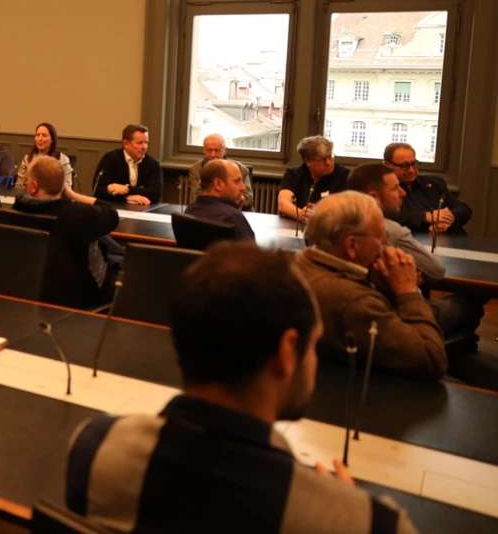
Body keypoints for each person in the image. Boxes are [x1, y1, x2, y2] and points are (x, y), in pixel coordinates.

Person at [66, 242, 419, 534]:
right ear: (286, 352)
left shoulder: (93, 448)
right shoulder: (374, 524)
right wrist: (341, 506)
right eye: (313, 345)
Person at [294, 192, 448, 381]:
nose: (385, 241)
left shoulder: (297, 264)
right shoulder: (357, 302)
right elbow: (432, 359)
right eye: (380, 234)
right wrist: (407, 291)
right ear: (352, 245)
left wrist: (382, 285)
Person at [14, 156, 119, 306]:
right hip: (81, 295)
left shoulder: (18, 209)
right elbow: (111, 214)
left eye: (27, 181)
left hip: (31, 289)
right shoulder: (78, 214)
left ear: (34, 187)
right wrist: (72, 194)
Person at [347, 163, 445, 282]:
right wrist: (414, 277)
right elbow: (436, 270)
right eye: (395, 188)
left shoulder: (340, 222)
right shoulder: (390, 231)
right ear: (373, 197)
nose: (403, 193)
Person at [383, 142, 471, 234]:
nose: (411, 170)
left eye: (414, 164)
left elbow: (463, 208)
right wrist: (425, 217)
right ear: (388, 165)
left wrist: (446, 220)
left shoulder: (434, 182)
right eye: (404, 166)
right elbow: (386, 217)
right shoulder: (384, 189)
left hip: (453, 237)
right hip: (413, 239)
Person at [278, 136, 349, 222]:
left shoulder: (344, 176)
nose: (328, 163)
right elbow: (283, 204)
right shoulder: (293, 174)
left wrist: (318, 213)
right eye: (322, 160)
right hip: (298, 225)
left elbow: (346, 210)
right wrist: (302, 214)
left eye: (330, 156)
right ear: (307, 161)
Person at [184, 160, 255, 241]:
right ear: (218, 184)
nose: (243, 187)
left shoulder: (189, 212)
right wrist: (237, 215)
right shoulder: (232, 217)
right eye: (237, 181)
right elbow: (250, 248)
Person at [92, 124, 163, 205]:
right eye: (139, 143)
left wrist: (127, 189)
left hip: (143, 209)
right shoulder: (111, 158)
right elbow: (98, 191)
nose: (144, 147)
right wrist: (125, 197)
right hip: (114, 207)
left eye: (146, 142)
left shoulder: (153, 164)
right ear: (126, 144)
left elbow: (156, 193)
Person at [187, 133, 254, 210]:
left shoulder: (240, 169)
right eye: (209, 150)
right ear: (204, 150)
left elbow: (247, 201)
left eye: (217, 151)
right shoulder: (196, 169)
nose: (213, 155)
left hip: (237, 212)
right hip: (207, 211)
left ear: (225, 151)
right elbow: (196, 199)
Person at [15, 122, 76, 192]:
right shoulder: (28, 158)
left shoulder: (62, 160)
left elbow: (67, 189)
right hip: (30, 196)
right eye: (37, 135)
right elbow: (19, 185)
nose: (40, 139)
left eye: (44, 135)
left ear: (52, 139)